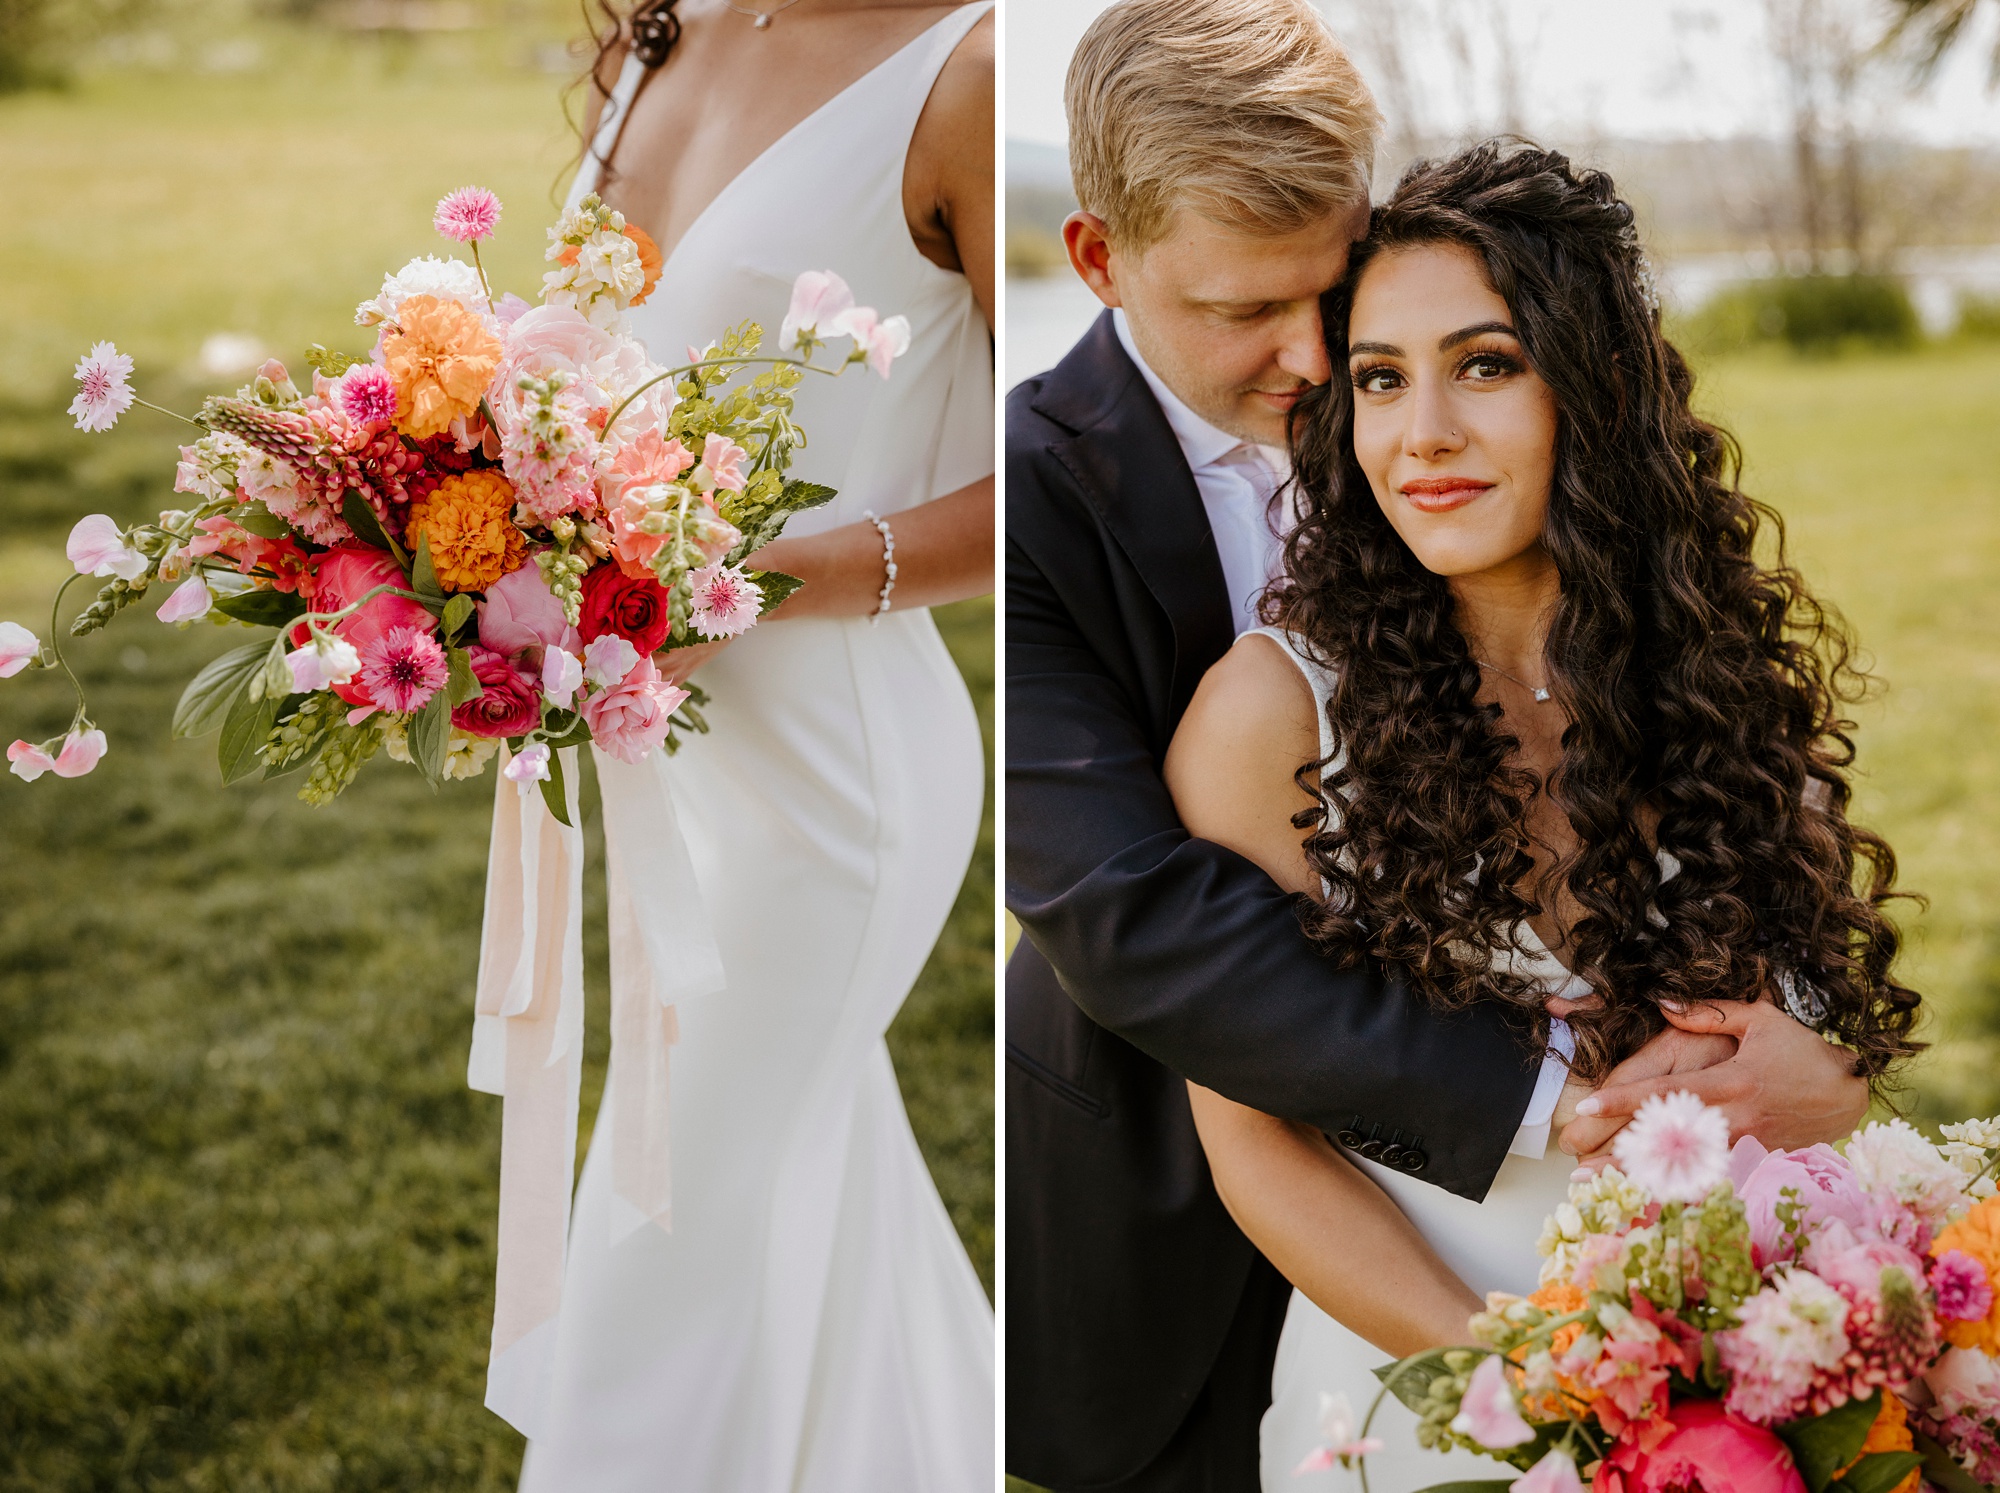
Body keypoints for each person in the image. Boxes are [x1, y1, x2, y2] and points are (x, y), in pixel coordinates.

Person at [1003, 4, 1871, 1489]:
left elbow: (1811, 1006)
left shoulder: (1688, 657)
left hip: (1699, 1330)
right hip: (1228, 1223)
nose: (1320, 372)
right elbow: (1137, 922)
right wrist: (1560, 1364)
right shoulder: (1048, 508)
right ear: (1099, 261)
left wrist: (1824, 1082)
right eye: (1245, 314)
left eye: (1335, 299)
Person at [510, 2, 995, 1489]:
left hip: (832, 789)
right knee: (812, 1190)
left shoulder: (967, 68)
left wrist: (754, 581)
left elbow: (1052, 474)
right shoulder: (679, 27)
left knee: (666, 1224)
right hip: (677, 761)